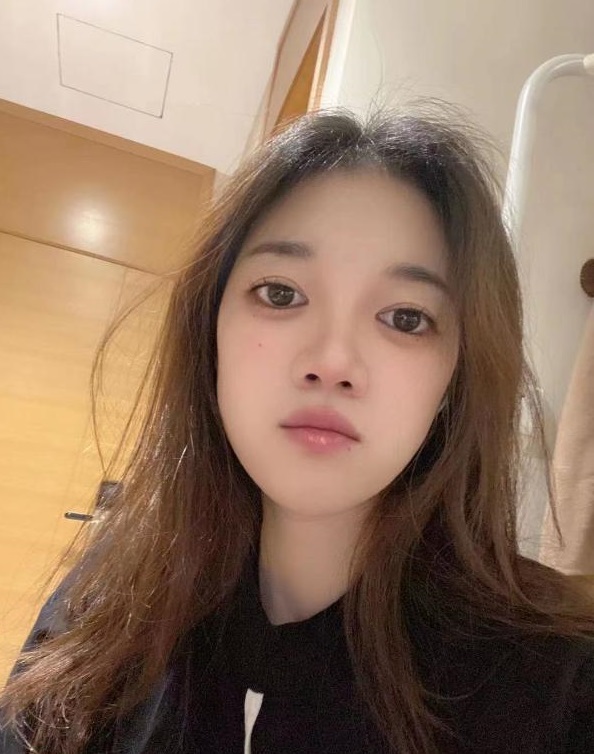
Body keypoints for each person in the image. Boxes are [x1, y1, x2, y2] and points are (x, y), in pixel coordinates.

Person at [2, 105, 594, 754]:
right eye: (281, 294)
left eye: (405, 318)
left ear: (457, 375)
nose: (332, 362)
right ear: (210, 331)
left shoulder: (561, 684)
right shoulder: (109, 597)